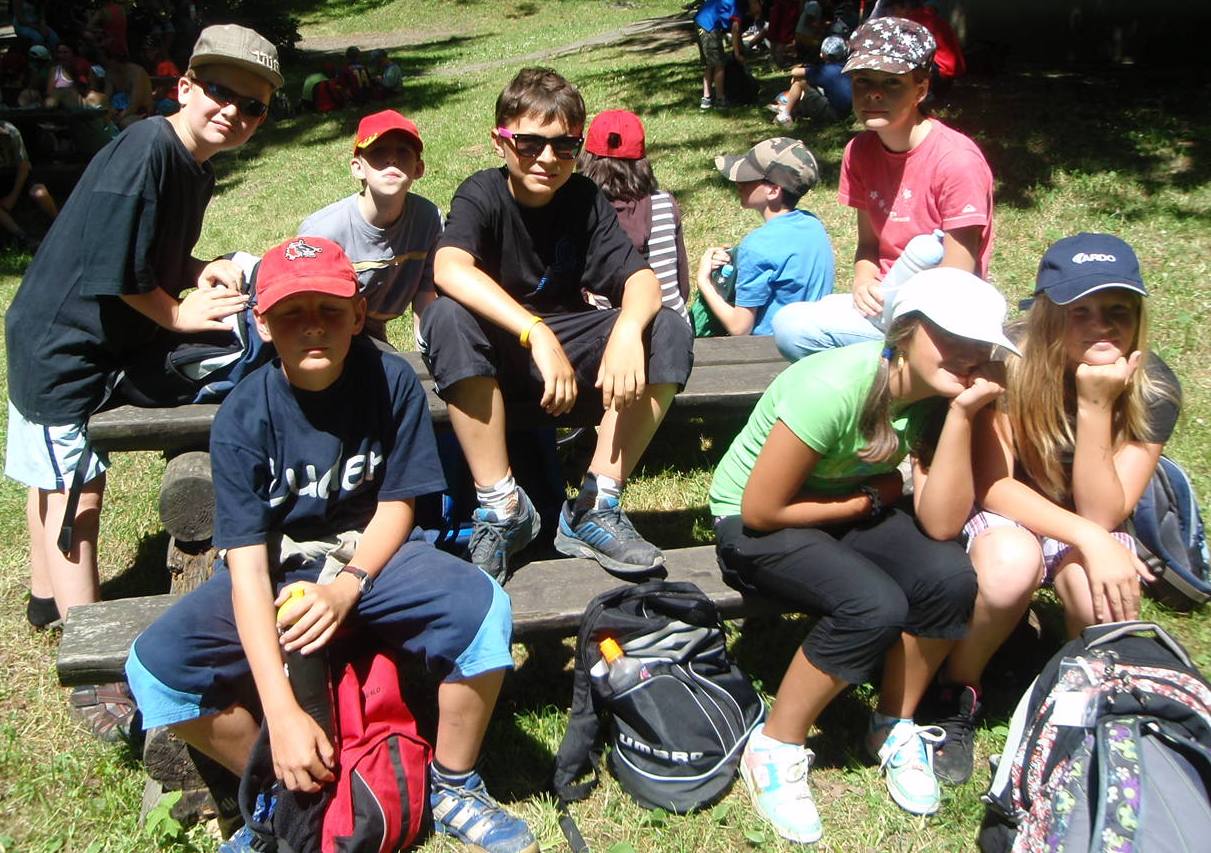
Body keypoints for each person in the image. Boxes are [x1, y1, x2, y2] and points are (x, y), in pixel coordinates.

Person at [124, 237, 538, 853]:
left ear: (358, 314)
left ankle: (453, 783)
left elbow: (398, 505)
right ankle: (276, 794)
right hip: (278, 571)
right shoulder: (243, 417)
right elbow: (247, 573)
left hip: (373, 559)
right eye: (291, 312)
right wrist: (283, 714)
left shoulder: (390, 380)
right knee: (155, 671)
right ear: (262, 324)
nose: (313, 326)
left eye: (330, 309)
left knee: (484, 614)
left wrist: (348, 587)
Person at [4, 23, 281, 736]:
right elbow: (115, 269)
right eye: (219, 91)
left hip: (82, 339)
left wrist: (197, 270)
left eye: (252, 106)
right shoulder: (147, 150)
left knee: (54, 478)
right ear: (184, 88)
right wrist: (178, 313)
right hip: (65, 347)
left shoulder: (192, 163)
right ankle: (94, 666)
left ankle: (45, 600)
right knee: (76, 493)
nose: (233, 111)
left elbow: (150, 252)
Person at [713, 270, 1018, 843]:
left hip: (842, 504)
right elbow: (760, 510)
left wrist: (961, 415)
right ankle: (775, 744)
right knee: (872, 605)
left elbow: (942, 523)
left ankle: (892, 723)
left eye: (980, 344)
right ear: (904, 332)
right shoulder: (834, 386)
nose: (968, 354)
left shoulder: (938, 396)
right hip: (752, 523)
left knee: (950, 577)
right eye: (950, 336)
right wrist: (866, 500)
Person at [927, 233, 1180, 785]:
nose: (1101, 326)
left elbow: (1104, 513)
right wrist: (1089, 539)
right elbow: (995, 486)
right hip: (1012, 512)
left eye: (1118, 311)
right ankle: (957, 688)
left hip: (1089, 517)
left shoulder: (1153, 386)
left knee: (1101, 594)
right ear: (1047, 314)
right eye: (1079, 311)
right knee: (1010, 567)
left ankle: (1074, 710)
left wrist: (1095, 405)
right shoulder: (1008, 364)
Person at [425, 67, 694, 582]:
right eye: (529, 143)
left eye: (565, 146)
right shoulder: (481, 193)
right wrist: (536, 332)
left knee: (667, 329)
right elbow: (449, 268)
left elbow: (643, 281)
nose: (548, 159)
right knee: (446, 316)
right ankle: (503, 509)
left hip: (570, 357)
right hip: (499, 355)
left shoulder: (584, 199)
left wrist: (626, 331)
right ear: (500, 141)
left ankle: (596, 505)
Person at [772, 16, 994, 361]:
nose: (873, 94)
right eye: (862, 81)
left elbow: (957, 277)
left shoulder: (956, 160)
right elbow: (869, 245)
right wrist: (863, 283)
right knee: (789, 322)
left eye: (892, 82)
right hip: (885, 304)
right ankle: (887, 368)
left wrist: (899, 320)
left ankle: (897, 372)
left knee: (799, 331)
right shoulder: (859, 152)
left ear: (920, 89)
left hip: (941, 316)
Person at [299, 110, 440, 347]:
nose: (392, 159)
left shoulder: (428, 219)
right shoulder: (321, 233)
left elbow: (427, 295)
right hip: (325, 333)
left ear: (418, 169)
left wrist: (427, 354)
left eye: (403, 151)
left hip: (369, 328)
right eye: (378, 151)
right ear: (357, 168)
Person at [693, 137, 834, 337]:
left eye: (748, 178)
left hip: (771, 348)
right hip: (812, 339)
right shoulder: (813, 225)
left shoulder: (757, 245)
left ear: (774, 190)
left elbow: (739, 328)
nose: (738, 183)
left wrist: (704, 281)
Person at [575, 109, 689, 324]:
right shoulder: (664, 203)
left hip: (613, 329)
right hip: (672, 326)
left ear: (587, 158)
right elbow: (682, 286)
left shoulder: (584, 210)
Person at [0, 120, 57, 250]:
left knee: (40, 193)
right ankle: (23, 237)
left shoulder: (11, 132)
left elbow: (24, 167)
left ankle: (60, 223)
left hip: (17, 175)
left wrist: (12, 197)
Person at [772, 34, 852, 127]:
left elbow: (795, 72)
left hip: (834, 114)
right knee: (810, 86)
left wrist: (803, 67)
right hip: (847, 112)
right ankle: (793, 108)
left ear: (822, 54)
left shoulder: (825, 71)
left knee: (799, 81)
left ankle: (785, 114)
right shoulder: (846, 66)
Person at [694, 0, 742, 109]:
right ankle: (720, 99)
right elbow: (735, 30)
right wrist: (737, 54)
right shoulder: (736, 5)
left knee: (710, 63)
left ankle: (706, 98)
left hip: (700, 22)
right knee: (719, 63)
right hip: (708, 26)